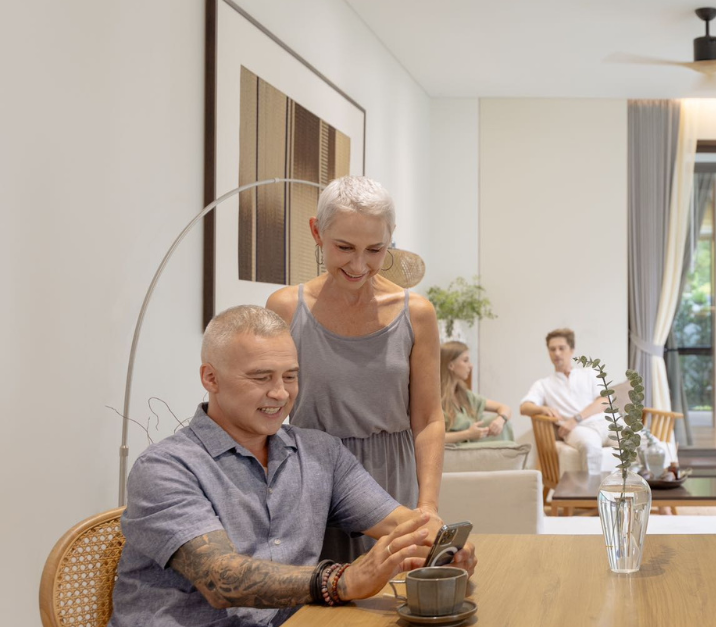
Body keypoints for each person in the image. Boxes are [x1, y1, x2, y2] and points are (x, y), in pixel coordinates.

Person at [109, 305, 476, 627]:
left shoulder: (318, 453)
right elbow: (220, 579)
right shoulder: (165, 468)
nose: (281, 393)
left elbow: (401, 524)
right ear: (210, 378)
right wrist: (343, 580)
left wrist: (439, 546)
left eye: (290, 376)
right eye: (261, 377)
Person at [266, 176, 444, 562]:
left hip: (392, 480)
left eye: (375, 249)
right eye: (344, 247)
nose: (359, 265)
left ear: (390, 237)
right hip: (313, 477)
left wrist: (427, 505)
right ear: (317, 232)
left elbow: (429, 418)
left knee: (394, 589)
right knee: (319, 590)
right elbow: (266, 406)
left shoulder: (417, 314)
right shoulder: (285, 309)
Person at [519, 328, 614, 474]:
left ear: (572, 350)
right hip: (580, 430)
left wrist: (576, 419)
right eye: (552, 349)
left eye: (561, 348)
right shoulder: (543, 384)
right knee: (591, 447)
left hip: (607, 423)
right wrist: (543, 409)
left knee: (642, 441)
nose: (557, 353)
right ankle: (593, 489)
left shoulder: (590, 373)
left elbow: (605, 400)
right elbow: (524, 407)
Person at [440, 340, 514, 444]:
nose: (470, 366)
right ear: (451, 365)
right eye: (465, 361)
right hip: (454, 450)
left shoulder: (465, 395)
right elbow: (432, 438)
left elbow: (505, 408)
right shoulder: (436, 400)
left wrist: (500, 420)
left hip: (471, 448)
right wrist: (467, 434)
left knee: (505, 424)